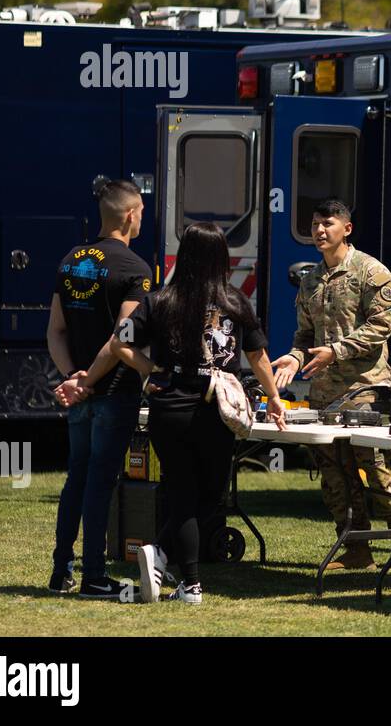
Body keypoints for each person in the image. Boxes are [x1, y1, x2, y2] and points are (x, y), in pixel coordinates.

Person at [102, 222, 286, 605]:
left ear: (184, 255)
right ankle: (190, 582)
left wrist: (150, 369)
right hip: (216, 407)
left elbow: (120, 343)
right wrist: (274, 398)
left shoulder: (160, 300)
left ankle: (166, 560)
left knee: (183, 490)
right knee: (211, 493)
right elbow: (258, 357)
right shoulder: (236, 302)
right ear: (222, 257)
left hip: (169, 406)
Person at [270, 199, 391, 571]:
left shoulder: (371, 272)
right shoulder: (310, 280)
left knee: (377, 465)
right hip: (325, 395)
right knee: (335, 474)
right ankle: (355, 545)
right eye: (315, 224)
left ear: (346, 229)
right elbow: (304, 335)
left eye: (326, 223)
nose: (319, 231)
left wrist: (335, 351)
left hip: (366, 388)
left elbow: (381, 327)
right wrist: (295, 357)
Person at [46, 179, 152, 600]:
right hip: (113, 390)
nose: (142, 217)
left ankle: (60, 571)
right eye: (141, 210)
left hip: (80, 393)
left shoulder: (70, 260)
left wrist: (72, 377)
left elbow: (54, 330)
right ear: (129, 215)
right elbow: (120, 339)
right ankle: (93, 577)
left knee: (77, 478)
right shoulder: (135, 269)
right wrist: (88, 381)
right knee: (100, 483)